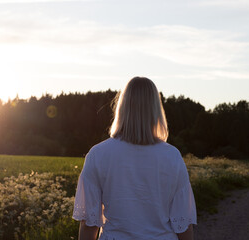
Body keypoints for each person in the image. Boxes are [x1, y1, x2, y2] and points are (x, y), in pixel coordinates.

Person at [72, 77, 197, 240]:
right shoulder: (172, 156)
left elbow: (89, 224)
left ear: (122, 107)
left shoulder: (98, 154)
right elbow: (183, 223)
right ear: (155, 108)